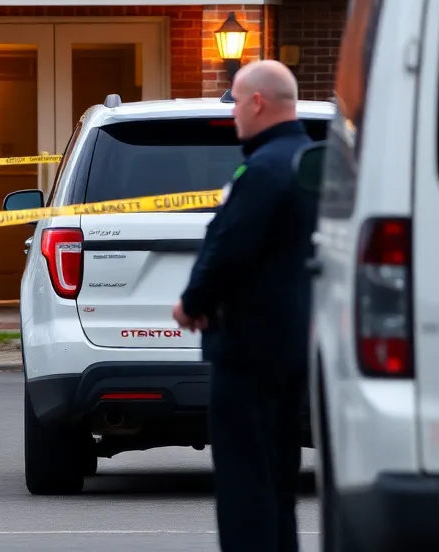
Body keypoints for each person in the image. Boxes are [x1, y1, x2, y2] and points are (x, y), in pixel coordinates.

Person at [171, 60, 317, 552]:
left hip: (248, 351)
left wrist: (193, 301)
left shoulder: (262, 170)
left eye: (235, 100)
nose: (232, 111)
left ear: (257, 102)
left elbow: (229, 245)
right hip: (296, 347)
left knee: (244, 485)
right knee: (279, 481)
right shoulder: (313, 165)